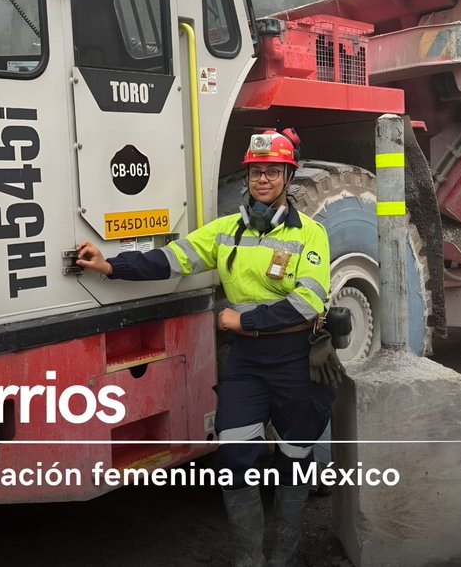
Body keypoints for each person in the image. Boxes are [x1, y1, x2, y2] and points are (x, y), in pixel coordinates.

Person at [76, 128, 345, 567]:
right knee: (236, 457)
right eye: (257, 171)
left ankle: (284, 558)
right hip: (246, 364)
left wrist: (243, 319)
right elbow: (171, 259)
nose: (263, 180)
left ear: (287, 176)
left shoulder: (310, 234)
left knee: (296, 459)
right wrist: (109, 265)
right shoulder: (225, 232)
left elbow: (307, 301)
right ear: (248, 176)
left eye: (273, 171)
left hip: (294, 361)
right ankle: (249, 561)